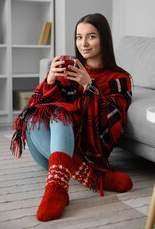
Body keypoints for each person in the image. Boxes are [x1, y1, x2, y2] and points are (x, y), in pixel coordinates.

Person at [11, 13, 133, 221]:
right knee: (37, 115)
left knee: (61, 113)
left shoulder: (120, 79)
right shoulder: (70, 70)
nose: (83, 43)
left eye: (91, 36)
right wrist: (49, 81)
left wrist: (89, 86)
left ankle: (57, 186)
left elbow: (111, 126)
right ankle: (91, 175)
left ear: (104, 38)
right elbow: (31, 112)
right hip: (48, 152)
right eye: (79, 37)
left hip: (87, 153)